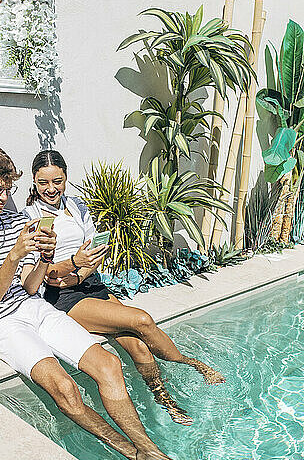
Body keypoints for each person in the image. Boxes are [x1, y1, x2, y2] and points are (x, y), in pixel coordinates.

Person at [0, 146, 204, 460]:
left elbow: (31, 287)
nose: (4, 198)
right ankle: (131, 452)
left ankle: (151, 451)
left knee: (109, 365)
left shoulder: (19, 221)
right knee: (63, 386)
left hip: (32, 306)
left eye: (8, 189)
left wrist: (42, 259)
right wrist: (17, 252)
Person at [23, 150, 225, 426]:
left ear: (66, 177)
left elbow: (97, 251)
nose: (50, 189)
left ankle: (166, 401)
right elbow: (45, 271)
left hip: (88, 283)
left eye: (57, 181)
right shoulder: (33, 217)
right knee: (141, 319)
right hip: (63, 298)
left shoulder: (77, 205)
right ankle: (191, 363)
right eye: (43, 182)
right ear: (34, 181)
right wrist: (73, 265)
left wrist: (80, 273)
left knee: (140, 349)